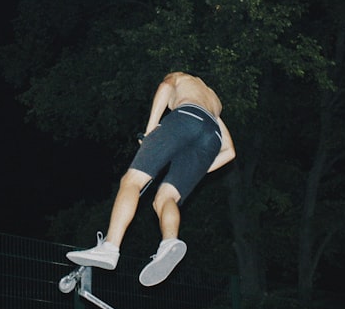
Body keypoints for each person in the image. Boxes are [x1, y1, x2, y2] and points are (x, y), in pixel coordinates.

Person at [66, 71, 236, 286]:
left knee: (132, 181)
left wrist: (149, 134)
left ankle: (110, 247)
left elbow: (165, 87)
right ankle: (168, 243)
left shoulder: (181, 77)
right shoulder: (213, 100)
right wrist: (196, 170)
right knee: (166, 198)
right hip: (212, 137)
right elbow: (229, 152)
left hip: (186, 117)